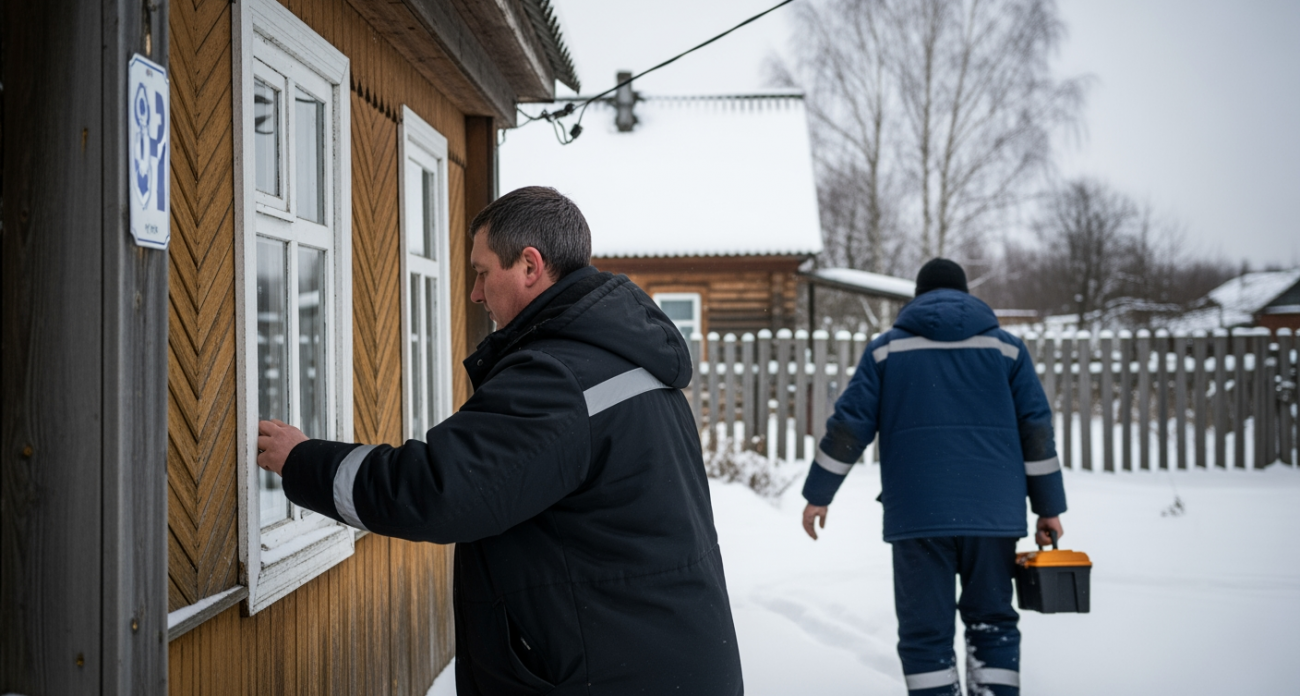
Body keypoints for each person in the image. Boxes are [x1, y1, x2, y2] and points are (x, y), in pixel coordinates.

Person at [256, 186, 742, 695]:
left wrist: (302, 461)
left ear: (530, 266)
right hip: (667, 658)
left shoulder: (558, 379)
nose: (475, 292)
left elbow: (437, 491)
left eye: (483, 272)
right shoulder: (632, 359)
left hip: (608, 673)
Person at [800, 258, 1066, 696]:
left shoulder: (887, 350)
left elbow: (850, 424)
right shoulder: (1008, 350)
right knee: (992, 623)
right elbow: (1036, 430)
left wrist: (818, 494)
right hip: (993, 517)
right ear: (966, 294)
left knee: (926, 635)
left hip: (918, 516)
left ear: (918, 298)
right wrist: (1049, 508)